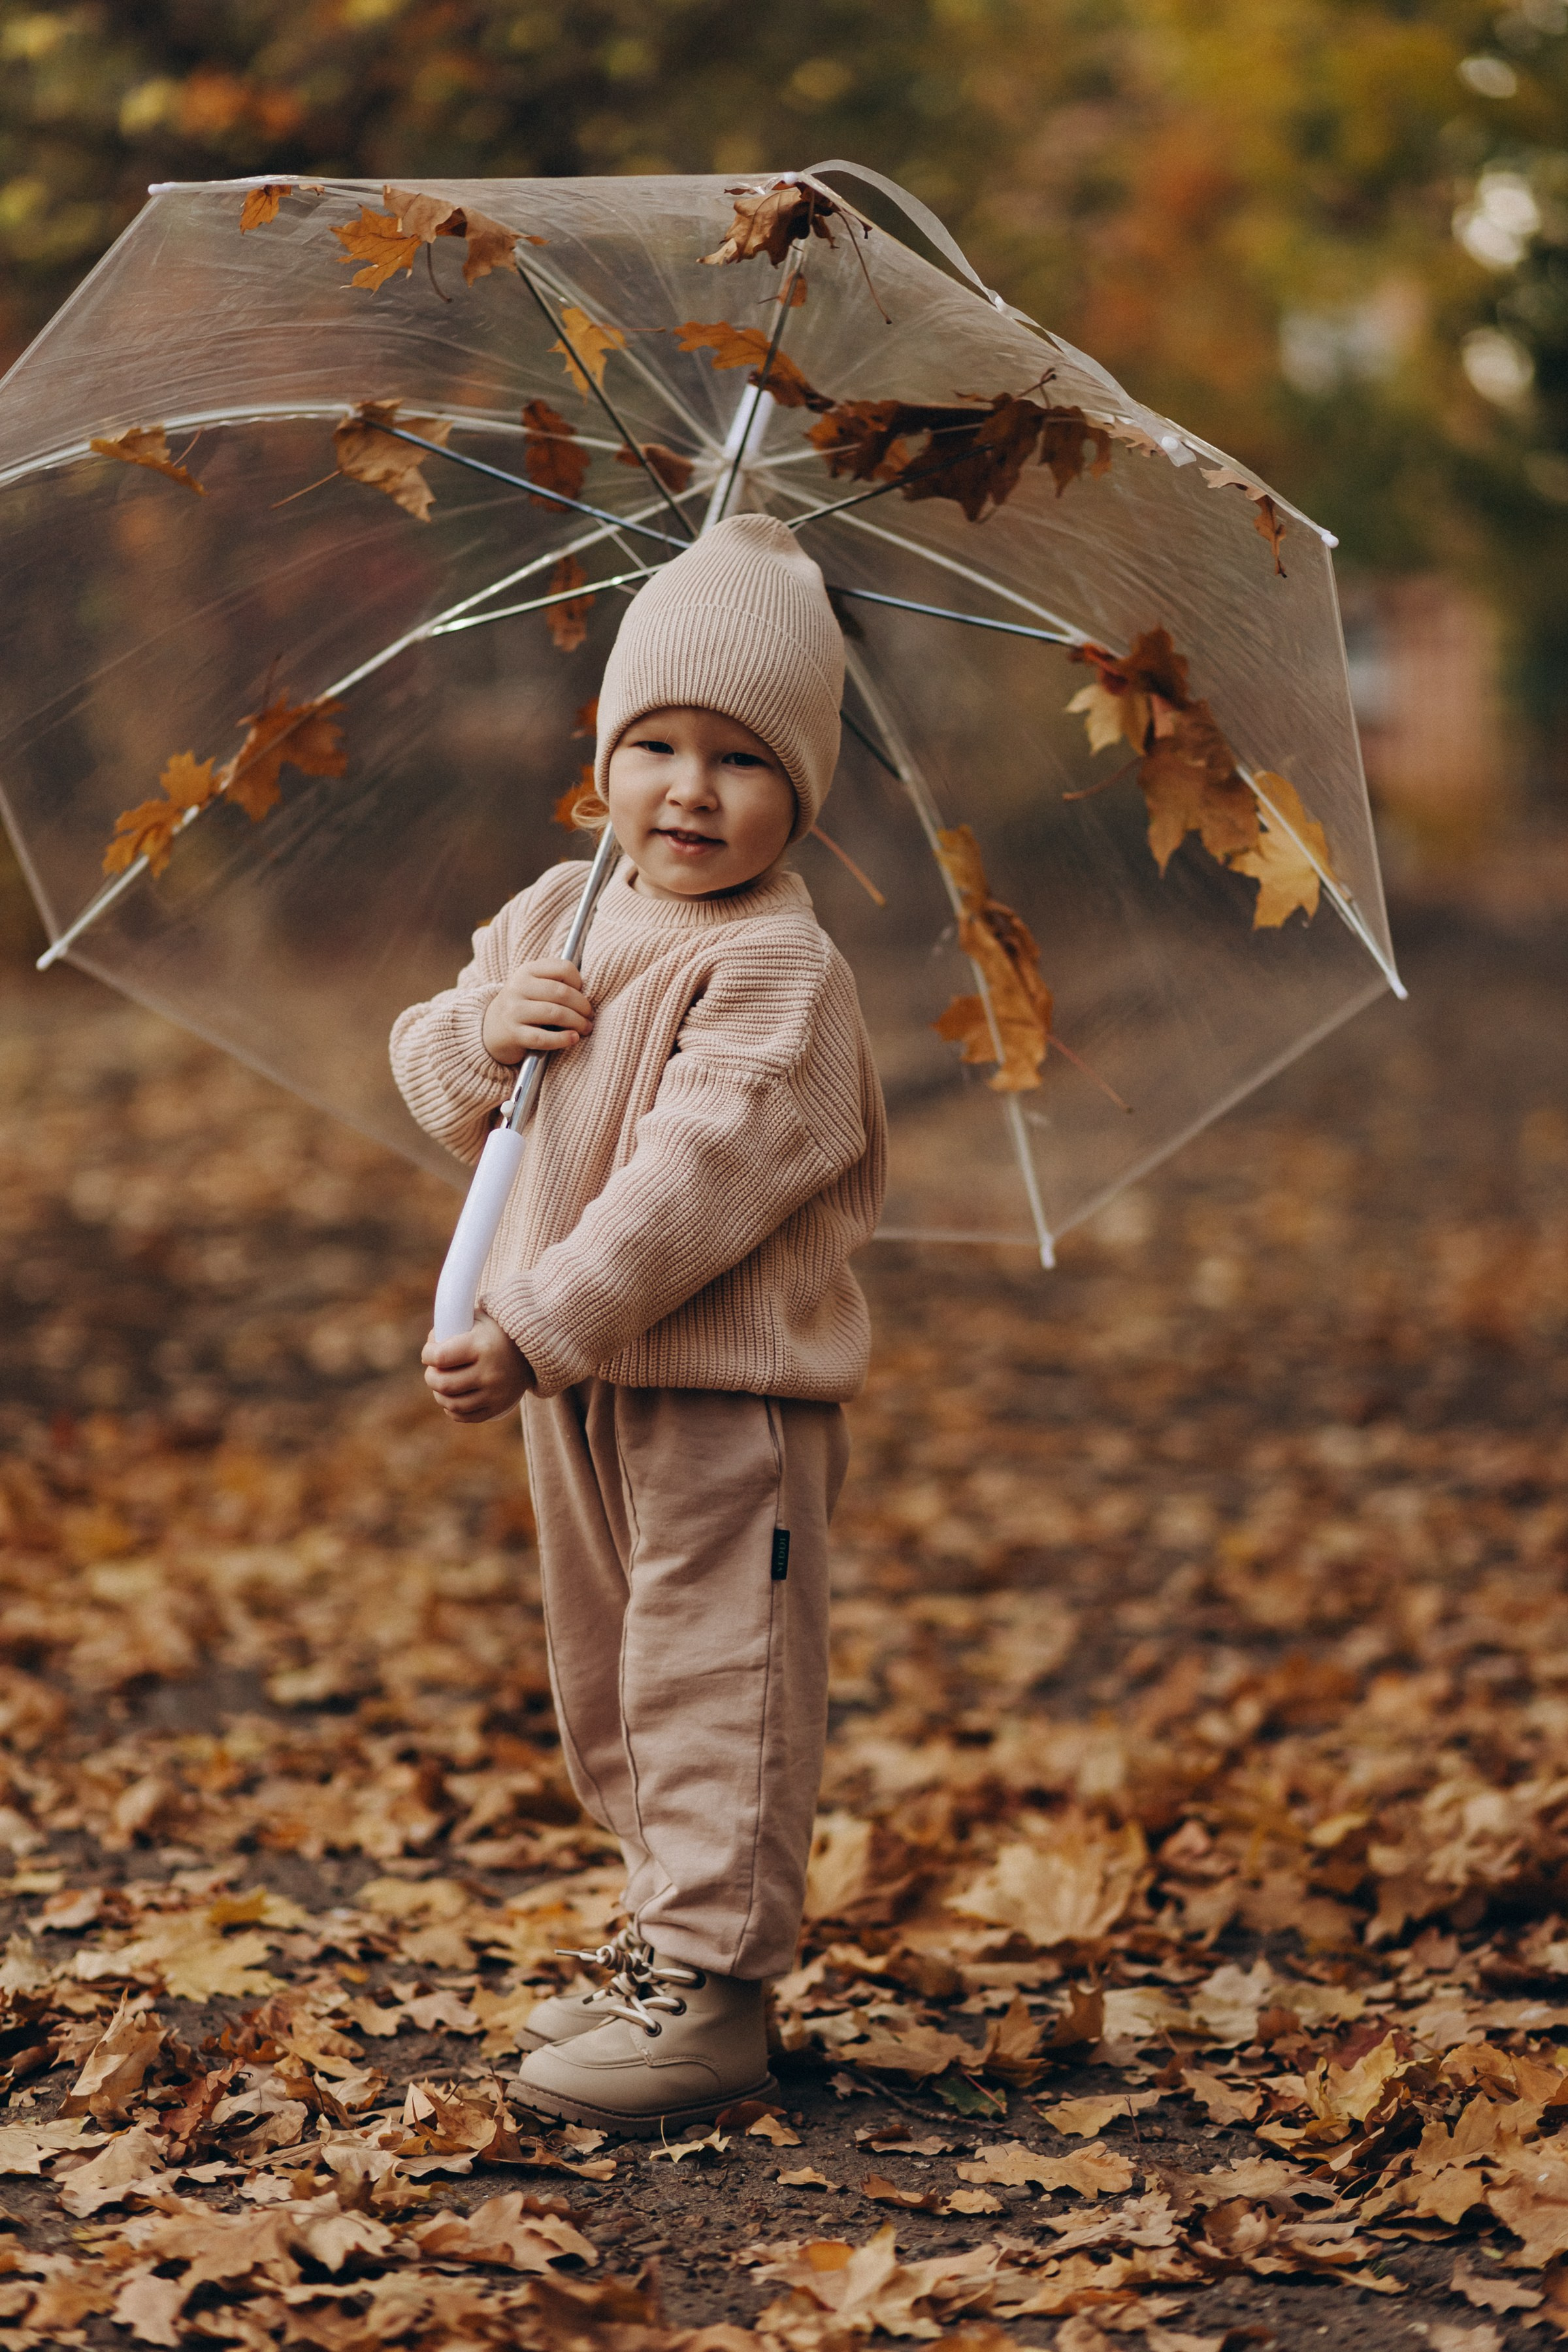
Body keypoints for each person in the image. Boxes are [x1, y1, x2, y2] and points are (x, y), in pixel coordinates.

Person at [389, 514, 887, 2136]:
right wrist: (485, 1026)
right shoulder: (563, 909)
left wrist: (534, 1321)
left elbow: (693, 1182)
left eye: (742, 760)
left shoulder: (781, 971)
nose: (690, 789)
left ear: (802, 789)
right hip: (584, 1381)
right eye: (657, 746)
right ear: (602, 751)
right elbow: (429, 1069)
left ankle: (718, 1987)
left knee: (713, 1667)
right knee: (605, 1666)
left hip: (722, 1393)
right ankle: (661, 1934)